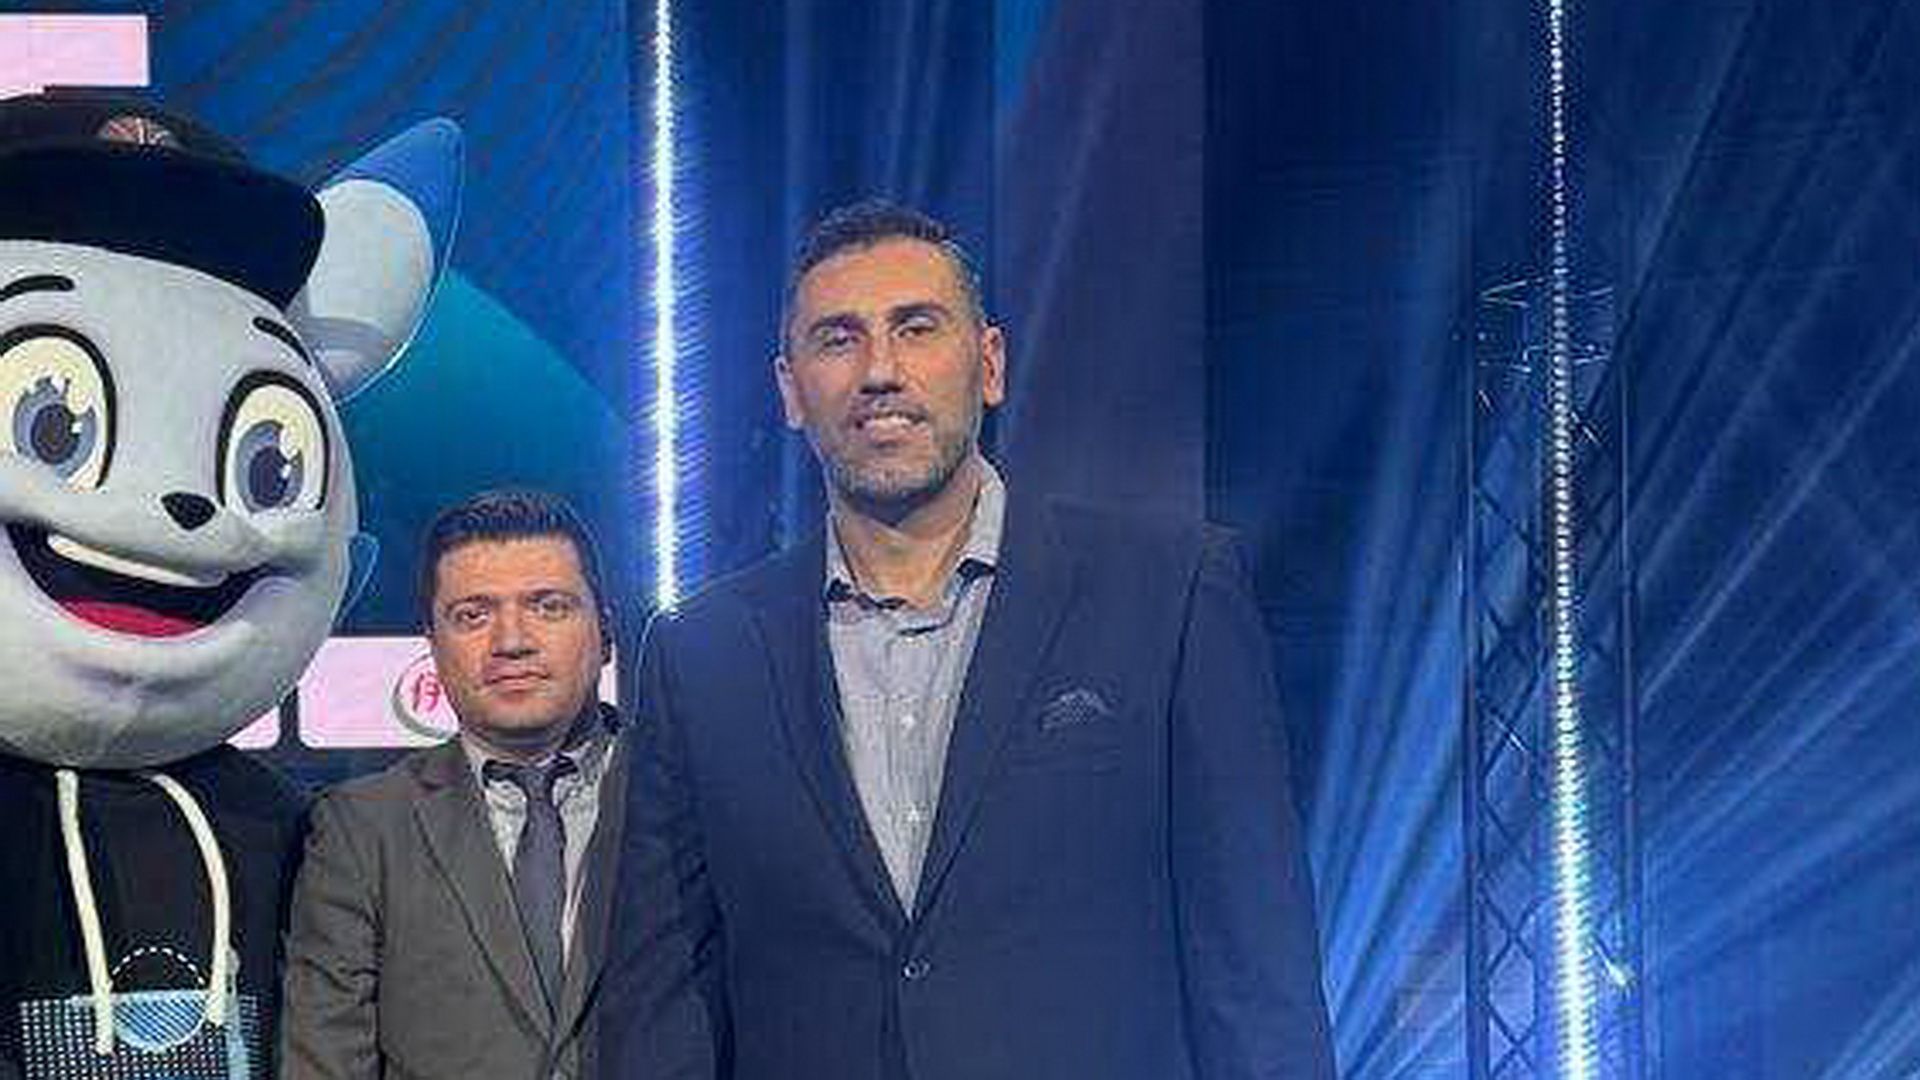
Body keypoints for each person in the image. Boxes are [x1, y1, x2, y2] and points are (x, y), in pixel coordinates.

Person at [603, 201, 1337, 1079]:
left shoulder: (1169, 594)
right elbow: (665, 1004)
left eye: (916, 328)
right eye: (838, 339)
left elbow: (1257, 978)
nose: (880, 371)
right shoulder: (701, 655)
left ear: (989, 364)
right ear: (790, 391)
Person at [281, 490, 628, 1080]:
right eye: (473, 615)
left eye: (548, 606)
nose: (511, 641)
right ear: (434, 648)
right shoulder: (363, 828)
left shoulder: (688, 800)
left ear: (606, 633)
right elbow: (325, 1061)